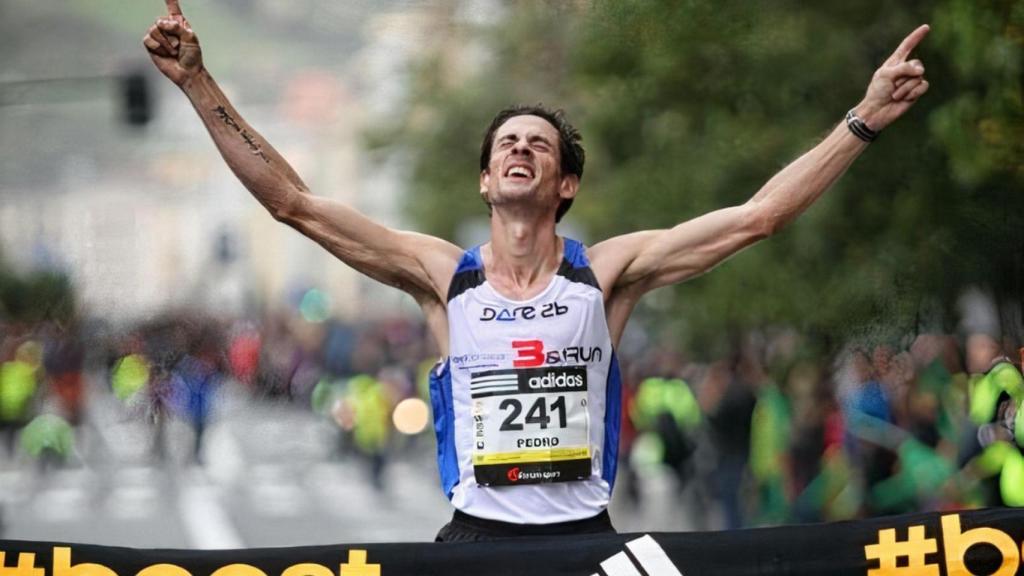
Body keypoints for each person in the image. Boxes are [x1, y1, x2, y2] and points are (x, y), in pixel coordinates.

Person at [142, 1, 931, 540]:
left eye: (539, 145)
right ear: (486, 181)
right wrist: (196, 82)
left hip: (583, 535)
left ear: (566, 185)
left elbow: (760, 216)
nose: (520, 149)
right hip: (477, 537)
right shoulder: (441, 275)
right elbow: (294, 203)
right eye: (506, 145)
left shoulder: (609, 273)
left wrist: (860, 121)